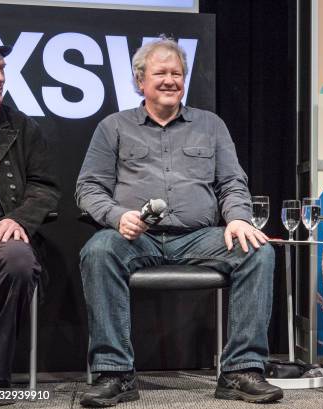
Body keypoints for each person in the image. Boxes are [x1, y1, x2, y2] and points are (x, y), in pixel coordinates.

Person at [76, 37, 282, 406]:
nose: (170, 80)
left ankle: (240, 371)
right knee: (98, 249)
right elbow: (88, 188)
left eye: (177, 73)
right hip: (137, 236)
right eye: (161, 73)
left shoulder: (211, 125)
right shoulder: (114, 126)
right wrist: (117, 216)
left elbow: (232, 183)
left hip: (198, 235)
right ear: (141, 80)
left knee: (257, 251)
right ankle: (115, 373)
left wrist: (237, 218)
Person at [0, 26, 60, 406]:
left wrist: (21, 219)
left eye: (1, 70)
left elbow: (45, 187)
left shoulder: (22, 127)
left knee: (18, 262)